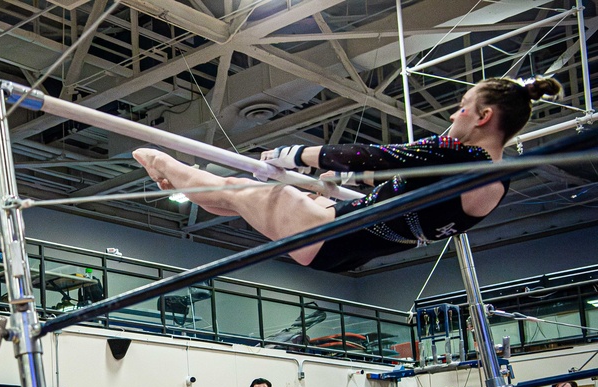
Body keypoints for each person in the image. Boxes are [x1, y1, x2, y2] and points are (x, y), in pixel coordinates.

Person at [134, 77, 561, 272]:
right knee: (232, 195)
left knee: (246, 190)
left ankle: (163, 162)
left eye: (464, 106)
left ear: (485, 116)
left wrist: (293, 154)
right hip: (346, 240)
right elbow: (401, 185)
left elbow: (372, 155)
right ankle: (178, 180)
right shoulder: (489, 178)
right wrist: (348, 187)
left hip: (333, 233)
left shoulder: (466, 163)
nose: (455, 113)